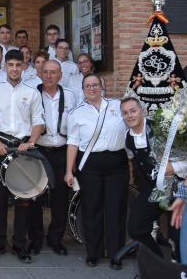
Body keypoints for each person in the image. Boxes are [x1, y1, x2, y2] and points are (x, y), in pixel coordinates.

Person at [0, 50, 45, 263]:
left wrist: (30, 142)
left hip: (23, 150)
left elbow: (38, 121)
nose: (14, 69)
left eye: (18, 65)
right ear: (4, 67)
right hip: (0, 148)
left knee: (23, 199)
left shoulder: (32, 92)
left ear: (23, 66)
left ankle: (20, 244)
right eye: (10, 65)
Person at [64, 74, 128, 270]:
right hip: (90, 163)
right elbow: (73, 142)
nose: (91, 88)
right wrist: (69, 170)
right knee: (92, 209)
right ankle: (93, 253)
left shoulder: (117, 106)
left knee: (116, 209)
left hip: (117, 162)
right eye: (87, 86)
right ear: (83, 89)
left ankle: (116, 253)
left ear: (102, 86)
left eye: (95, 85)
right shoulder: (76, 113)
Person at [121, 97, 186, 258]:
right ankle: (157, 262)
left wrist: (174, 167)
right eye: (125, 113)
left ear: (142, 111)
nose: (129, 115)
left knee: (177, 237)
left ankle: (179, 270)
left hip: (179, 187)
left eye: (133, 111)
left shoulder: (162, 130)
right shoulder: (127, 139)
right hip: (156, 188)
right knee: (136, 227)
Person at [27, 60, 77, 256]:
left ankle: (56, 238)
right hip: (38, 150)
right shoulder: (33, 94)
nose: (49, 76)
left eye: (53, 72)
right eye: (45, 72)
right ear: (40, 74)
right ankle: (36, 238)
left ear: (60, 75)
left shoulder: (70, 96)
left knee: (60, 198)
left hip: (62, 151)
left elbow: (75, 126)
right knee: (34, 197)